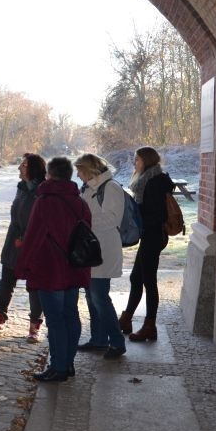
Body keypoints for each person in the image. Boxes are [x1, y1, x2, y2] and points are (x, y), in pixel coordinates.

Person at [15, 156, 91, 382]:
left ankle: (58, 366)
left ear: (50, 175)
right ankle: (67, 363)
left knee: (55, 320)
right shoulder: (80, 201)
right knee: (70, 315)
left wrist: (22, 267)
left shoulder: (45, 201)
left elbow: (33, 237)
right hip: (74, 267)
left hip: (49, 269)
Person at [0, 153, 47, 341]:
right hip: (13, 243)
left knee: (35, 286)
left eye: (24, 165)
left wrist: (28, 237)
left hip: (34, 246)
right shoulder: (20, 188)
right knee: (6, 282)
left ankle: (34, 325)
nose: (19, 168)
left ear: (33, 169)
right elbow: (16, 217)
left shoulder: (43, 191)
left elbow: (42, 220)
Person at [118, 146, 174, 342]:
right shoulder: (146, 180)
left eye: (138, 160)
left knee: (148, 281)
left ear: (147, 161)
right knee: (136, 278)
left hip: (154, 235)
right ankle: (126, 319)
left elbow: (156, 215)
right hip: (149, 236)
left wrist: (136, 215)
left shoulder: (154, 183)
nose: (135, 163)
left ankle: (149, 326)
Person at [74, 153, 127, 359]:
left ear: (89, 169)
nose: (77, 175)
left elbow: (112, 219)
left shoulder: (110, 187)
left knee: (99, 297)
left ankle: (116, 341)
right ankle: (98, 339)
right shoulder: (89, 188)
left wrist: (83, 223)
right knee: (91, 296)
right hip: (91, 250)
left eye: (80, 170)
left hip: (103, 250)